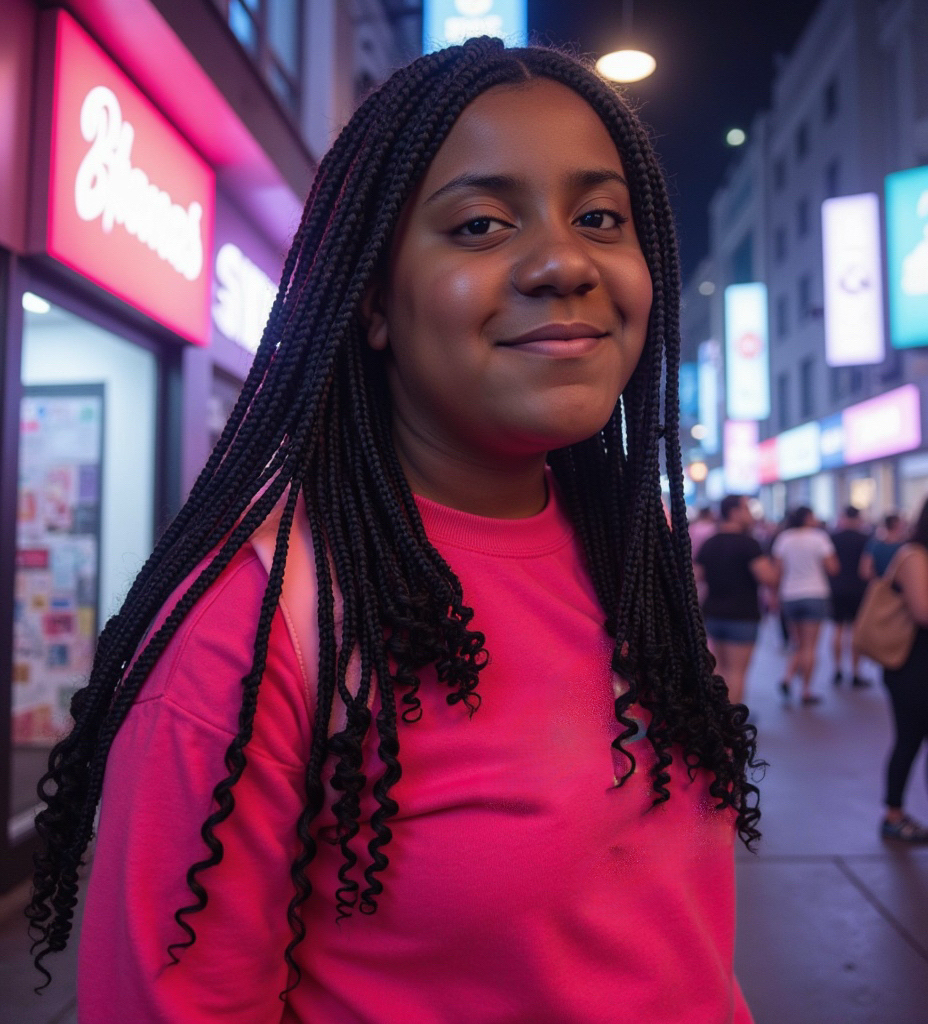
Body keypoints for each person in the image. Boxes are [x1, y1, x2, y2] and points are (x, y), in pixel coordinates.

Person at [27, 40, 761, 1022]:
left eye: (598, 216)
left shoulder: (630, 557)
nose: (562, 262)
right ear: (373, 299)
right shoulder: (255, 614)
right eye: (480, 224)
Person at [695, 495, 778, 705]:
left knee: (720, 669)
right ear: (734, 512)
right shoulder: (749, 544)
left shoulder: (710, 543)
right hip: (742, 615)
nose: (751, 514)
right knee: (737, 672)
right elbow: (767, 577)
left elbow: (696, 577)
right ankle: (733, 724)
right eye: (747, 509)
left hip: (713, 612)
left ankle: (720, 719)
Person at [879, 496, 928, 843]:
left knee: (911, 740)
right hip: (911, 665)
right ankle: (893, 815)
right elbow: (922, 612)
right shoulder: (913, 556)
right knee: (910, 739)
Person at [772, 506, 839, 704]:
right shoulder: (819, 538)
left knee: (797, 644)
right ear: (808, 518)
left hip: (790, 595)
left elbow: (777, 571)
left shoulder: (784, 538)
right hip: (815, 594)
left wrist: (775, 596)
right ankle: (806, 691)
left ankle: (787, 678)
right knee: (810, 646)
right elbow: (832, 568)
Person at [828, 506, 870, 687]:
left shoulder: (832, 538)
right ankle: (855, 672)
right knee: (856, 630)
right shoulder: (866, 538)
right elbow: (866, 569)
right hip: (859, 589)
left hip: (836, 588)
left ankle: (837, 670)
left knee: (837, 630)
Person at [860, 512, 908, 581]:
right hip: (898, 587)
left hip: (879, 585)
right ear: (897, 525)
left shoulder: (873, 544)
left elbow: (865, 571)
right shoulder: (905, 547)